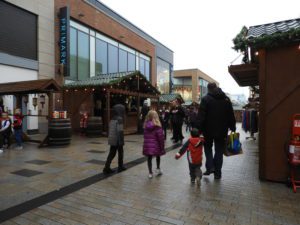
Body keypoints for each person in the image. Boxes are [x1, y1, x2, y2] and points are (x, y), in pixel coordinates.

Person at [196, 82, 236, 179]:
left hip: (208, 130)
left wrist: (198, 129)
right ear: (217, 87)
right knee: (219, 151)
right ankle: (217, 174)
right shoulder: (226, 99)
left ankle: (210, 167)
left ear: (208, 89)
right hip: (222, 130)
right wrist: (233, 127)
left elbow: (201, 116)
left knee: (208, 148)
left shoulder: (206, 99)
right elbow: (231, 114)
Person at [103, 104, 126, 174]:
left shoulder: (112, 118)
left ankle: (106, 167)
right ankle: (120, 166)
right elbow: (120, 131)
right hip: (118, 139)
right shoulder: (119, 119)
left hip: (112, 139)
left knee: (112, 153)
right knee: (120, 153)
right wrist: (121, 142)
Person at [143, 110, 165, 178]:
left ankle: (150, 173)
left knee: (149, 158)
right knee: (158, 156)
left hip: (148, 145)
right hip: (156, 144)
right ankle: (158, 169)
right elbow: (160, 137)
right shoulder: (157, 126)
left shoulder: (146, 125)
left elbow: (145, 136)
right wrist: (162, 146)